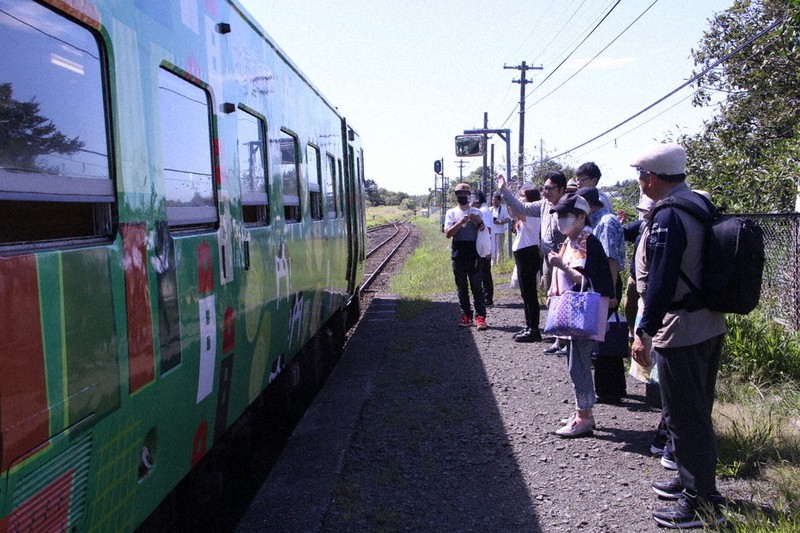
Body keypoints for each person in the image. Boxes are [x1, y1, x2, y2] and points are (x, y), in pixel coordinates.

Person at [629, 143, 727, 529]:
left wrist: (644, 331)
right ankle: (691, 481)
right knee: (692, 411)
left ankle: (704, 504)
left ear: (652, 179)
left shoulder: (669, 216)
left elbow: (662, 280)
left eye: (640, 175)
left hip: (680, 328)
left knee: (686, 419)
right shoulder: (699, 203)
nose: (639, 181)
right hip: (709, 321)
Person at [545, 192, 614, 437]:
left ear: (581, 216)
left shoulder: (587, 241)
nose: (560, 219)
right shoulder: (572, 240)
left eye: (566, 215)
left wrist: (561, 265)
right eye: (558, 215)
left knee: (580, 365)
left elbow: (584, 280)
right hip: (573, 312)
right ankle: (580, 411)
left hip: (583, 311)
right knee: (575, 364)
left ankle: (584, 417)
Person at [576, 187, 627, 404]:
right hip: (602, 283)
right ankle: (609, 388)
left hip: (608, 283)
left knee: (606, 336)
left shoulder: (605, 222)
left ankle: (611, 390)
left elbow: (610, 260)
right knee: (602, 335)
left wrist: (611, 293)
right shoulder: (596, 221)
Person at [496, 177, 545, 343]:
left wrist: (506, 192)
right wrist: (509, 195)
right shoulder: (526, 215)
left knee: (530, 293)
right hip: (524, 254)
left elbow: (515, 210)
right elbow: (512, 211)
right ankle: (529, 326)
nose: (520, 199)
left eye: (523, 196)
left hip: (528, 254)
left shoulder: (532, 215)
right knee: (526, 293)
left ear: (530, 198)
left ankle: (534, 329)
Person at [445, 183, 489, 330]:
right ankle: (466, 315)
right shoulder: (451, 213)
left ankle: (480, 317)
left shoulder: (477, 212)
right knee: (462, 287)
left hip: (474, 253)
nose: (462, 196)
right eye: (459, 193)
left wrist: (478, 222)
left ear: (470, 195)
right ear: (456, 195)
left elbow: (484, 230)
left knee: (477, 286)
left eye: (465, 193)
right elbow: (448, 234)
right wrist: (460, 222)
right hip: (458, 253)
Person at [539, 172, 569, 355]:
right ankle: (559, 340)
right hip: (548, 259)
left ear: (561, 189)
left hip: (565, 260)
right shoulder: (544, 205)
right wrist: (505, 192)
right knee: (551, 297)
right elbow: (523, 207)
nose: (545, 192)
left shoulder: (569, 207)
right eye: (544, 188)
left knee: (565, 299)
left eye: (549, 188)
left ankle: (568, 341)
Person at [472, 190, 495, 307]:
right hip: (483, 246)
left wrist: (487, 250)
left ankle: (488, 298)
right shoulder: (483, 210)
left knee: (484, 273)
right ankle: (487, 297)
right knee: (484, 273)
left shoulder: (483, 211)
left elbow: (487, 230)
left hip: (484, 247)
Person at [490, 192, 511, 265]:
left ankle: (500, 264)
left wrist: (501, 222)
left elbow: (508, 219)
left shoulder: (503, 209)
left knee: (499, 248)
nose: (494, 202)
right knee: (492, 248)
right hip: (491, 232)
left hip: (500, 231)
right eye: (493, 200)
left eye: (495, 200)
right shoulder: (490, 209)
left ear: (499, 200)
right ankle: (493, 263)